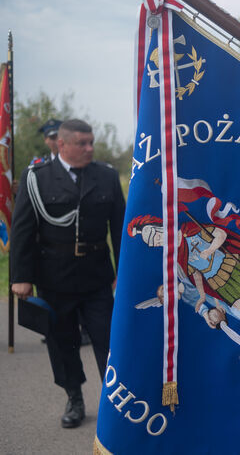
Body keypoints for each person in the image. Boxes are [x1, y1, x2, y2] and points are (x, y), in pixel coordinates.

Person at [10, 119, 125, 429]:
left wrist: (124, 274)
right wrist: (20, 276)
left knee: (108, 339)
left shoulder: (107, 176)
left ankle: (115, 400)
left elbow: (121, 230)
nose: (90, 148)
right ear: (62, 145)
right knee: (63, 343)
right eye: (82, 143)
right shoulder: (37, 178)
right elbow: (22, 230)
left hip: (97, 276)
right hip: (54, 277)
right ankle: (74, 397)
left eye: (91, 142)